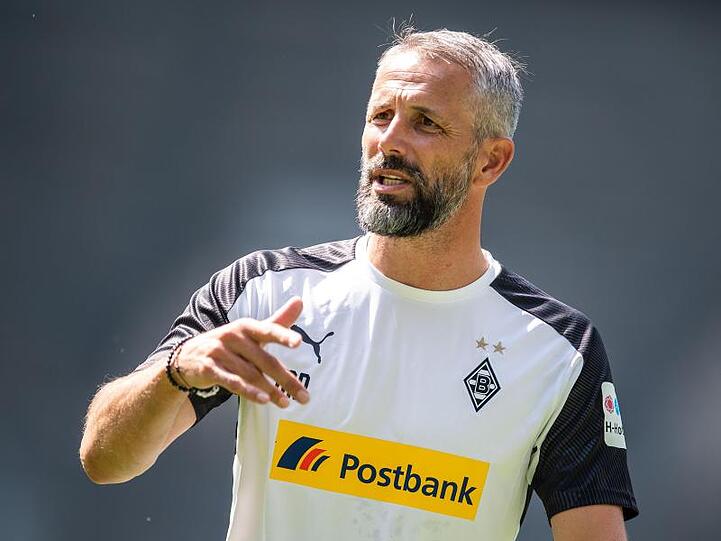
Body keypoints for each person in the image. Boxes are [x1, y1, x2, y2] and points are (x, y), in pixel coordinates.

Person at [80, 28, 638, 541]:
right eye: (380, 116)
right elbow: (104, 460)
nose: (389, 141)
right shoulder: (264, 290)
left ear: (491, 161)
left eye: (425, 123)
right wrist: (178, 370)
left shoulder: (559, 352)